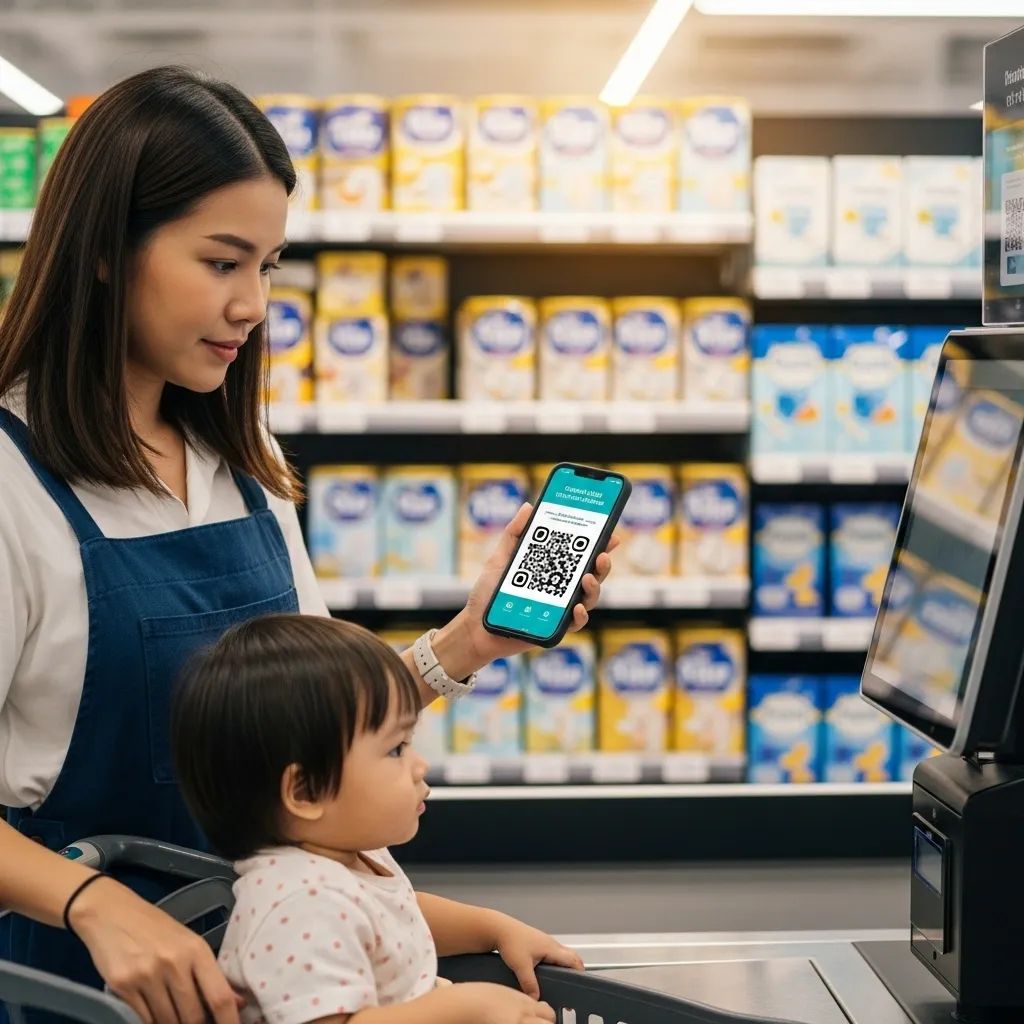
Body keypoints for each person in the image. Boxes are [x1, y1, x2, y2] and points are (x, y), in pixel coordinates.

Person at [0, 66, 615, 1024]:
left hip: (278, 976)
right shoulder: (11, 485)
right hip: (77, 988)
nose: (253, 303)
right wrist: (94, 902)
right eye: (221, 262)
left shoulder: (240, 462)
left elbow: (301, 728)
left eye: (269, 265)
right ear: (109, 250)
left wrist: (468, 643)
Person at [172, 615, 580, 1024]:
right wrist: (466, 1007)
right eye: (396, 749)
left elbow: (398, 916)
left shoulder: (347, 857)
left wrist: (494, 929)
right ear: (305, 792)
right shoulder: (296, 904)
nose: (419, 766)